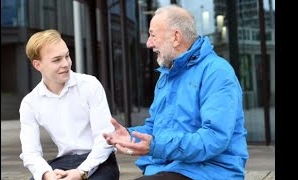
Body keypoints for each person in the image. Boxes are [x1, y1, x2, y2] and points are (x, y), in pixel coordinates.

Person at [103, 4, 249, 180]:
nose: (149, 43)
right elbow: (155, 128)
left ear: (176, 37)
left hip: (209, 173)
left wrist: (156, 146)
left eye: (153, 35)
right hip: (169, 169)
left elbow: (213, 138)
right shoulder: (167, 75)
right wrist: (130, 135)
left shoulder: (217, 72)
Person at [19, 29, 119, 180]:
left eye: (67, 56)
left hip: (99, 161)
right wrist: (47, 175)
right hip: (62, 162)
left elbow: (105, 139)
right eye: (56, 60)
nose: (66, 63)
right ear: (37, 65)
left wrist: (81, 172)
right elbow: (30, 152)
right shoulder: (30, 103)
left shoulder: (90, 85)